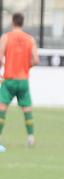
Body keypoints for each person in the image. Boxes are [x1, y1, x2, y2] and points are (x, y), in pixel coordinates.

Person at [0, 12, 39, 152]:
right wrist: (26, 67)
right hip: (23, 80)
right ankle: (31, 137)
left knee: (2, 108)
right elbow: (36, 60)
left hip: (9, 79)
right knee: (27, 109)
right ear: (22, 23)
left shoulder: (6, 37)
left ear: (13, 22)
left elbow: (0, 57)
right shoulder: (30, 39)